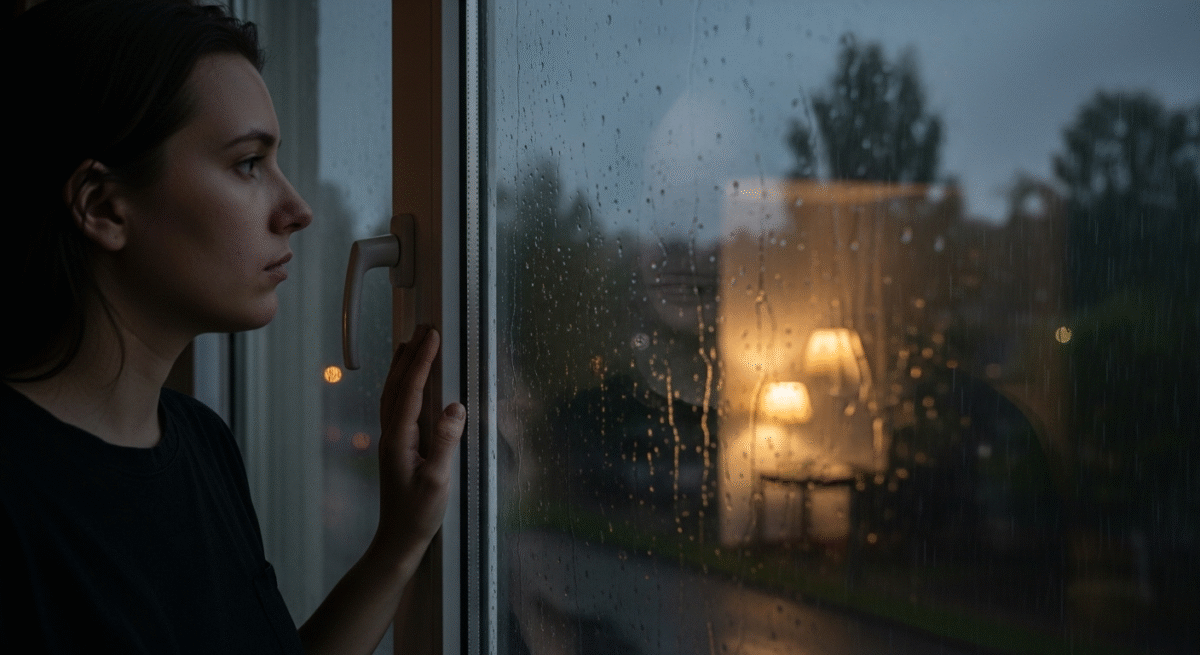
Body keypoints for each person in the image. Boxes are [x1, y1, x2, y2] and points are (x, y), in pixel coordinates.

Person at [0, 1, 465, 653]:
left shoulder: (201, 442)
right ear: (103, 206)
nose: (297, 209)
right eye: (249, 163)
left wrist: (398, 543)